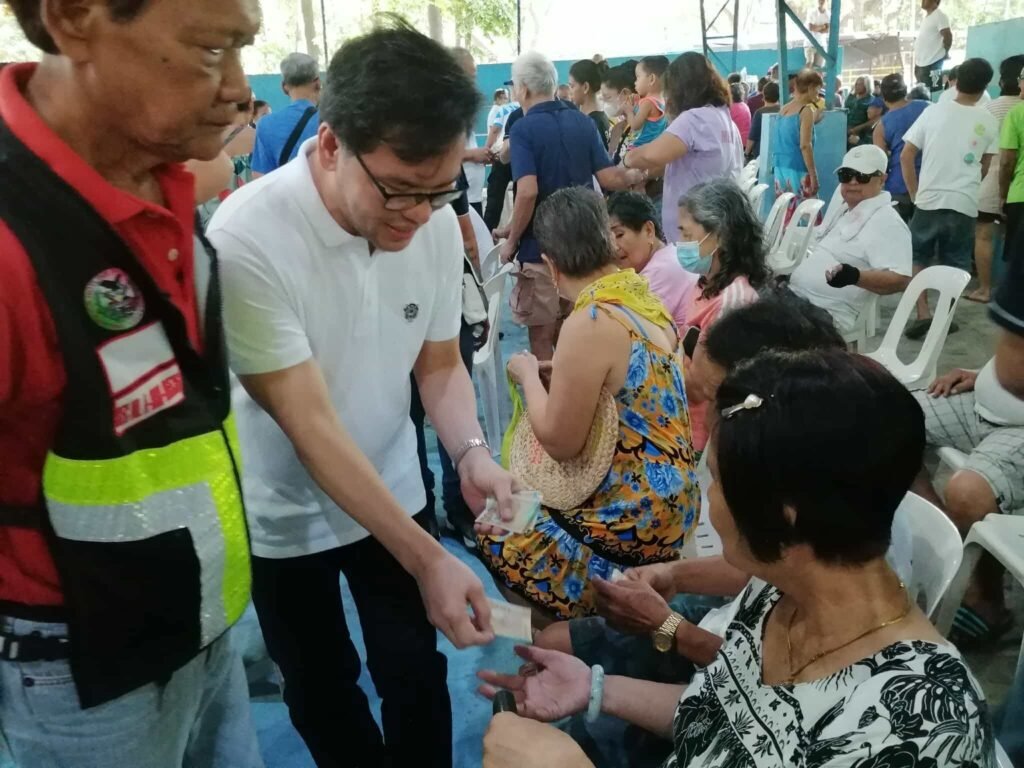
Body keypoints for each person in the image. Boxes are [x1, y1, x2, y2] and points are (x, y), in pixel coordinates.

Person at [207, 22, 518, 767]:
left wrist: (470, 452)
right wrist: (429, 559)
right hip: (286, 512)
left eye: (438, 191)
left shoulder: (432, 222)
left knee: (414, 670)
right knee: (322, 685)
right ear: (330, 145)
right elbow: (310, 427)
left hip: (393, 480)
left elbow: (438, 365)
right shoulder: (247, 237)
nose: (417, 213)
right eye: (399, 192)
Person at [481, 349, 994, 768]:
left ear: (783, 513)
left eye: (718, 480)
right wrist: (596, 689)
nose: (708, 499)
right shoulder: (779, 592)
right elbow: (721, 717)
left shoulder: (920, 722)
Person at [0, 0, 264, 766]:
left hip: (199, 620)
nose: (240, 88)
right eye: (211, 50)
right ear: (74, 17)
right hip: (81, 672)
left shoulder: (163, 179)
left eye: (242, 48)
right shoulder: (13, 241)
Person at [529, 291, 847, 768]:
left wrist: (667, 628)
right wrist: (673, 575)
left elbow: (756, 700)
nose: (708, 502)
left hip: (729, 670)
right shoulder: (801, 521)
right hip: (726, 649)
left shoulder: (832, 603)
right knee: (554, 646)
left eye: (720, 404)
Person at [478, 187, 699, 622]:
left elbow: (561, 443)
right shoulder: (640, 299)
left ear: (551, 265)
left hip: (635, 512)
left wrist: (527, 376)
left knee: (497, 530)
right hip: (675, 498)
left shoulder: (590, 319)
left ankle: (566, 638)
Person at [495, 51, 644, 362]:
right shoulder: (582, 121)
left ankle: (549, 392)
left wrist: (512, 240)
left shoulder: (523, 129)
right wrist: (634, 174)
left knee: (541, 337)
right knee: (578, 331)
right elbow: (608, 177)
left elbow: (527, 192)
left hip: (540, 249)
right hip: (583, 247)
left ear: (523, 89)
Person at [902, 57, 997, 340]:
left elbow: (907, 155)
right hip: (964, 202)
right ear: (985, 86)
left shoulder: (933, 112)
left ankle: (923, 313)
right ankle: (944, 317)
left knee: (918, 256)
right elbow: (985, 165)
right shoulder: (989, 120)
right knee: (955, 262)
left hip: (928, 199)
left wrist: (915, 193)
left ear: (955, 82)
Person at [678, 179, 767, 451]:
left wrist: (660, 352)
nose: (681, 244)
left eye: (687, 235)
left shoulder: (733, 303)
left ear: (719, 236)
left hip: (700, 435)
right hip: (681, 414)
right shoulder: (705, 283)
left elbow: (702, 388)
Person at [789, 145, 912, 334]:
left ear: (882, 179)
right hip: (798, 299)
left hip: (827, 314)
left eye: (862, 176)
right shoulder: (846, 209)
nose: (853, 182)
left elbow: (900, 279)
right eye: (846, 175)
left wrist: (854, 276)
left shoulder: (887, 221)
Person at [623, 52, 744, 244]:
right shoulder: (724, 118)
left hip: (694, 228)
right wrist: (647, 175)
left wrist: (626, 159)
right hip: (718, 219)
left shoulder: (695, 119)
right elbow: (682, 159)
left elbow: (650, 155)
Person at [968, 55, 1024, 303]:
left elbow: (978, 148)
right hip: (1017, 185)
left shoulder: (989, 109)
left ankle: (985, 289)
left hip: (992, 180)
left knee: (984, 235)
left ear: (1002, 81)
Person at [607, 191, 699, 329]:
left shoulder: (662, 271)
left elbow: (625, 330)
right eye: (609, 239)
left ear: (649, 230)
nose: (614, 247)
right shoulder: (667, 257)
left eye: (619, 235)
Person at [251, 52, 320, 176]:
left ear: (284, 87)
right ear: (318, 83)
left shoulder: (266, 125)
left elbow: (260, 178)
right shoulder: (332, 122)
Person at [874, 72, 930, 223]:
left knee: (897, 232)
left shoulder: (882, 126)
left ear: (884, 97)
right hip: (929, 181)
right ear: (905, 91)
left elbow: (881, 162)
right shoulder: (927, 108)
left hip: (898, 185)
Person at [774, 68, 823, 202]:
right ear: (811, 88)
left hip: (780, 166)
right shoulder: (805, 110)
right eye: (817, 90)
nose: (818, 94)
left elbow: (792, 132)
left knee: (786, 210)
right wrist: (813, 175)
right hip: (797, 168)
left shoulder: (784, 109)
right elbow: (805, 145)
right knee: (806, 211)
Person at [999, 68, 1024, 259]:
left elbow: (1007, 161)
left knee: (1018, 262)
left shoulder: (1016, 114)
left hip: (1020, 195)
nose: (1019, 84)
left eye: (1021, 78)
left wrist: (1002, 195)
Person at [627, 56, 670, 150]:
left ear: (651, 79)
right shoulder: (662, 100)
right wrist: (636, 104)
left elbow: (635, 126)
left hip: (640, 148)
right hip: (655, 148)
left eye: (638, 77)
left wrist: (628, 110)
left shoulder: (648, 102)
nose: (635, 82)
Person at [601, 60, 640, 165]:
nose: (604, 103)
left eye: (607, 97)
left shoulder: (648, 129)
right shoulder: (617, 129)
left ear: (626, 93)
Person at [569, 58, 611, 150]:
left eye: (572, 86)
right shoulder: (600, 117)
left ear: (585, 87)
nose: (570, 91)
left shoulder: (590, 124)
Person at [914, 0, 952, 91]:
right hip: (921, 63)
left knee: (934, 93)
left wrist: (945, 52)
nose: (923, 1)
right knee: (922, 94)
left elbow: (948, 36)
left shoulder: (939, 15)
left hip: (933, 63)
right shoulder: (927, 17)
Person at [745, 80, 780, 160]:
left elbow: (752, 137)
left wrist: (746, 153)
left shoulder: (759, 113)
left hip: (761, 154)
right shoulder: (783, 110)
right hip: (778, 153)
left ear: (763, 96)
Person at [846, 75, 883, 147]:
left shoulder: (872, 100)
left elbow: (875, 120)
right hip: (846, 131)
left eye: (860, 84)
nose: (857, 86)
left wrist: (857, 128)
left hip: (861, 134)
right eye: (856, 84)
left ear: (867, 85)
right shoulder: (850, 98)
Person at [805, 0, 830, 68]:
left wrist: (817, 28)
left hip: (821, 44)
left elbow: (827, 30)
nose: (821, 1)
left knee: (820, 68)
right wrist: (824, 26)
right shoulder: (812, 12)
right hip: (810, 43)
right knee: (809, 64)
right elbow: (811, 28)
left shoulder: (828, 14)